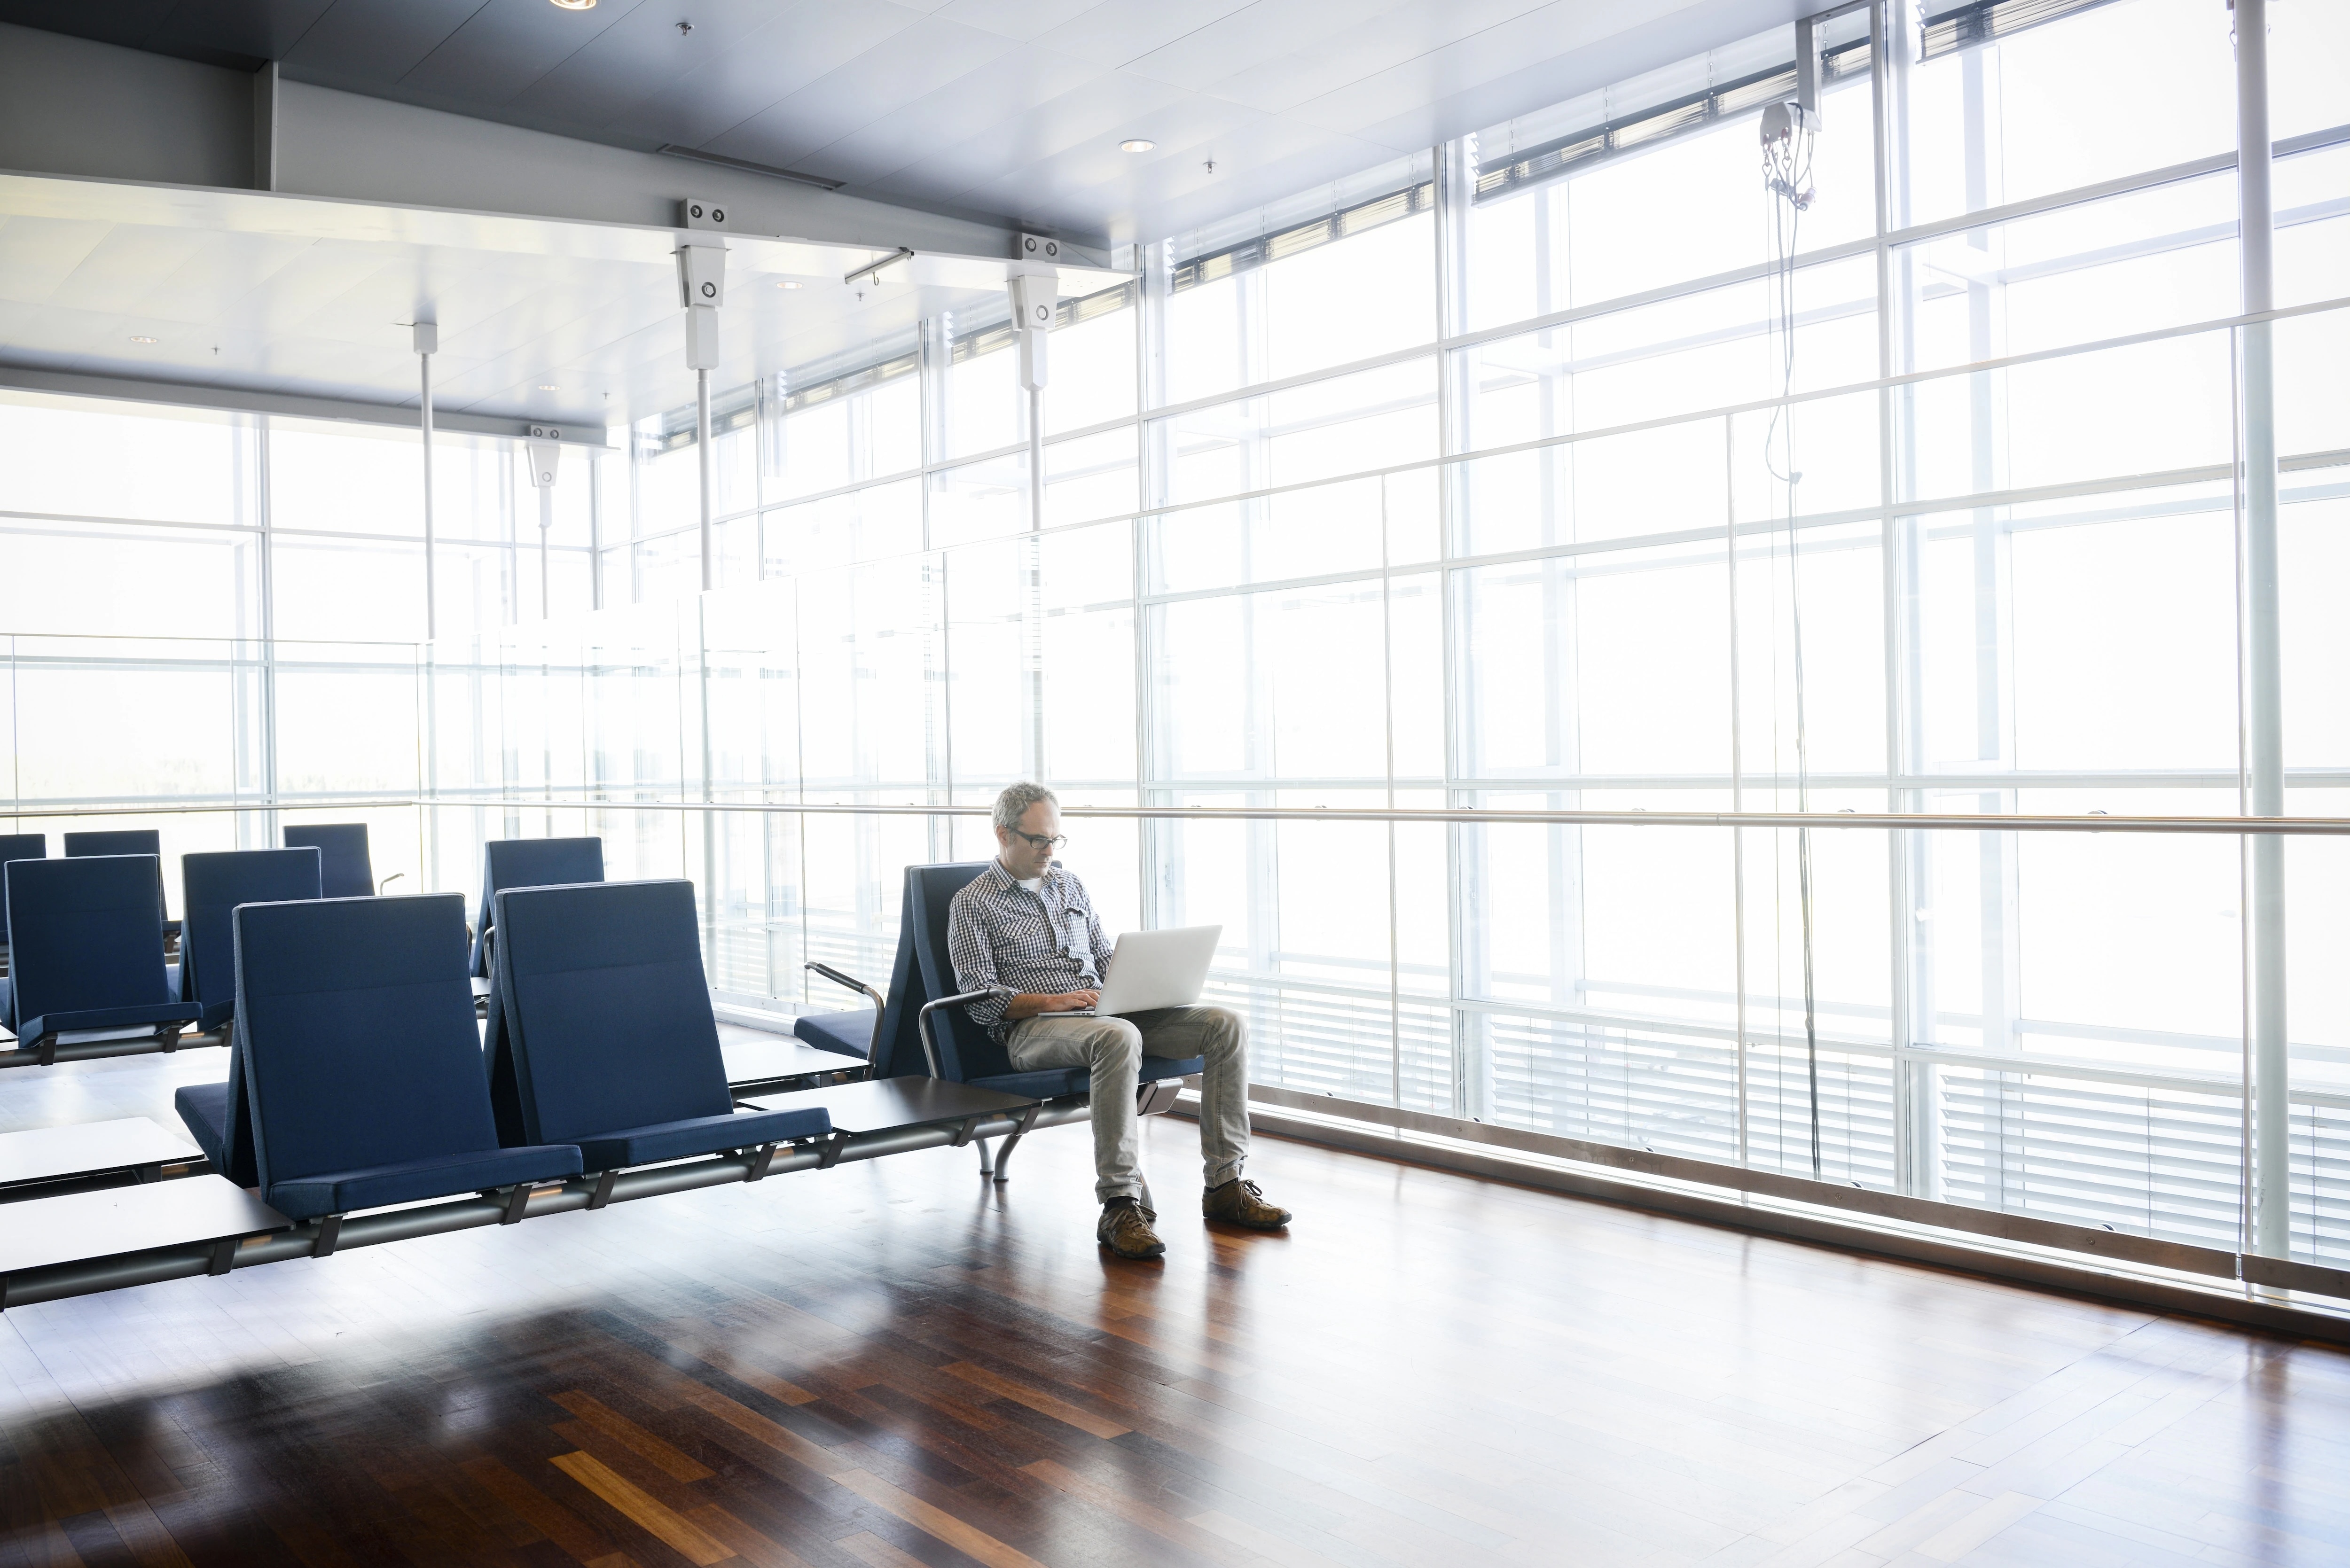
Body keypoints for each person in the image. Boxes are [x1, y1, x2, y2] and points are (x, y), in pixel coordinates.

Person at [947, 781, 1292, 1259]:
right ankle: (1119, 1204)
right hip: (1033, 1031)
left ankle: (1225, 1186)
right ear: (1002, 833)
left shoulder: (1070, 885)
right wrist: (1058, 1001)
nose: (1049, 850)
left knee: (1225, 1023)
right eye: (1037, 840)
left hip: (1103, 1014)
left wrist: (1146, 986)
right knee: (1118, 1035)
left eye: (1055, 840)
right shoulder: (972, 903)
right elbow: (978, 999)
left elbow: (1106, 958)